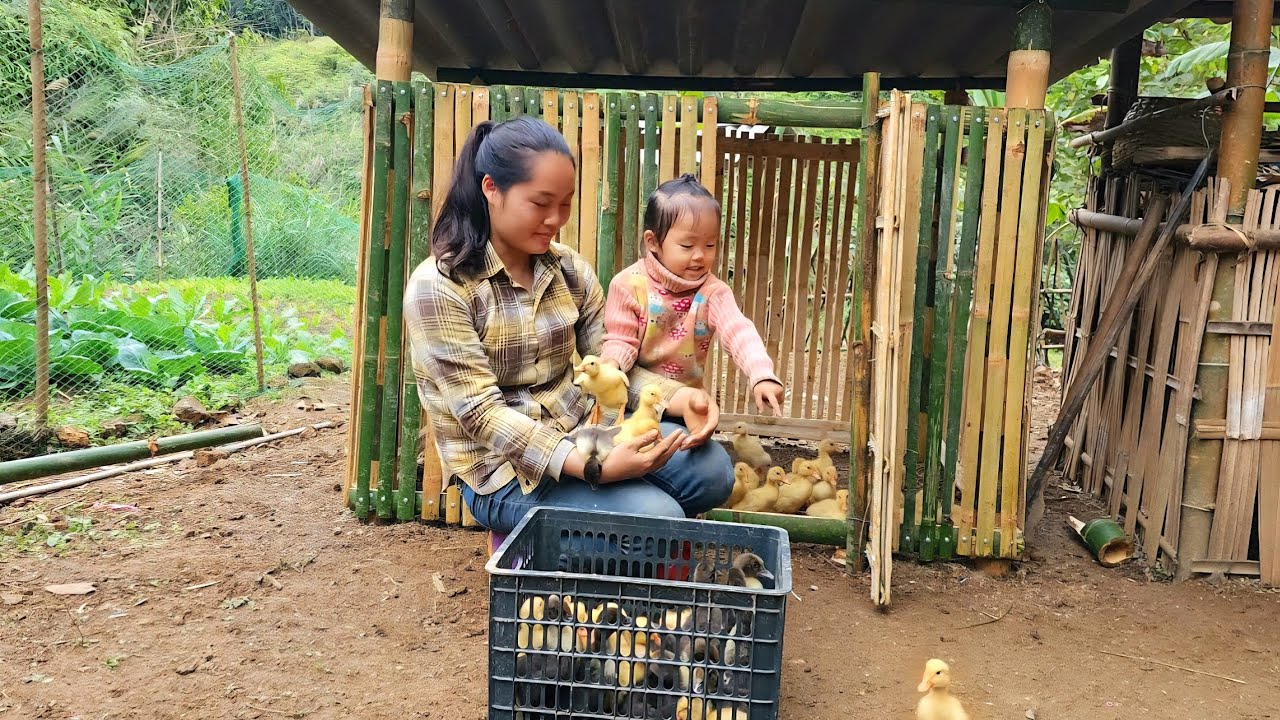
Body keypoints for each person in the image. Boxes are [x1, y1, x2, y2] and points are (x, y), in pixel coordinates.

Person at [402, 116, 733, 536]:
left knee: (712, 471)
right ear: (492, 189)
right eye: (541, 204)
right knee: (658, 518)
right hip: (502, 471)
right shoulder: (440, 287)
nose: (555, 218)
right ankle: (546, 544)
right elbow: (482, 416)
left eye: (566, 203)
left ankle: (602, 528)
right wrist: (595, 468)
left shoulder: (568, 269)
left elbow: (613, 362)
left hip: (584, 433)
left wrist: (680, 399)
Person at [602, 174, 786, 416]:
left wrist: (761, 374)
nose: (700, 255)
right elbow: (620, 339)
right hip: (632, 401)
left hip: (685, 405)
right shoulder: (629, 284)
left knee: (703, 452)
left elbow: (738, 330)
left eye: (710, 245)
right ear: (653, 241)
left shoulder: (713, 293)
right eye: (687, 246)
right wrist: (611, 368)